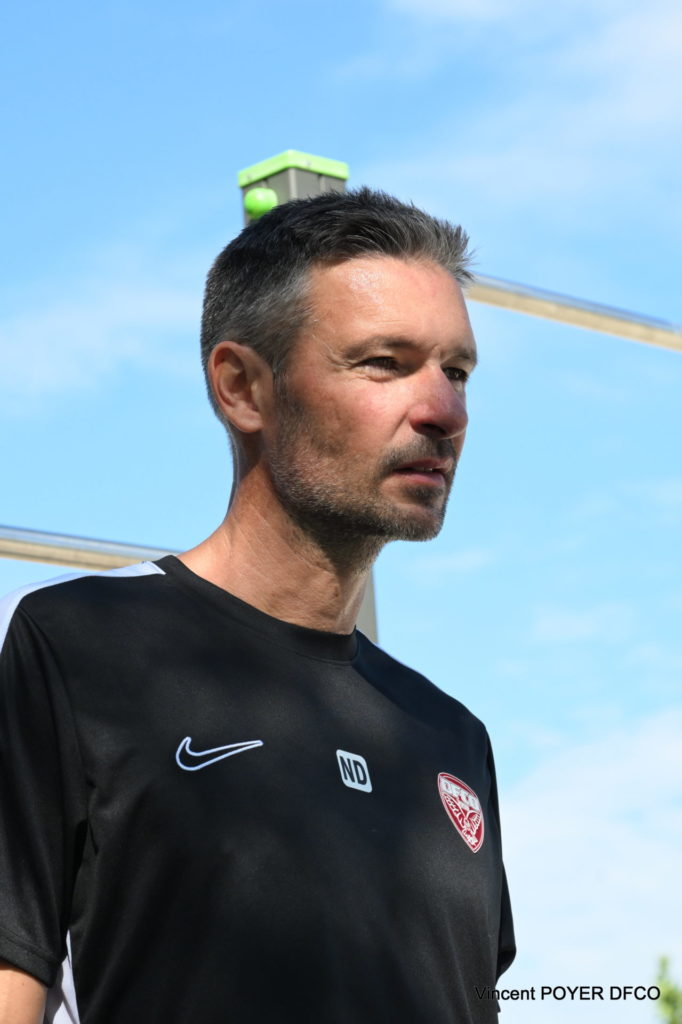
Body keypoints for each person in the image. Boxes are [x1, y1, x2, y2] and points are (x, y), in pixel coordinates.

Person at [0, 188, 515, 1023]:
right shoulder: (74, 644)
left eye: (456, 372)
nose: (443, 410)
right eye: (384, 362)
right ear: (243, 388)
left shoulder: (452, 737)